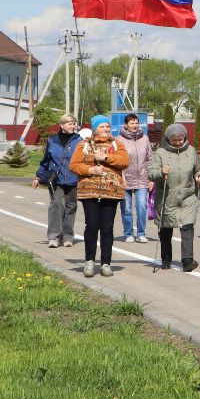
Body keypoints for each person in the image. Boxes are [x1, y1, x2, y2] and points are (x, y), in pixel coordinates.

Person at [70, 115, 130, 277]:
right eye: (102, 127)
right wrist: (90, 170)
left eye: (107, 127)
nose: (106, 130)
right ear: (95, 129)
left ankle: (105, 263)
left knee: (107, 228)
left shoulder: (117, 144)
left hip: (112, 192)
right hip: (89, 192)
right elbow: (73, 165)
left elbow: (125, 162)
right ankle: (89, 261)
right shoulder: (84, 145)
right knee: (92, 226)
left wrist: (106, 158)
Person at [149, 123, 200, 271]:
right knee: (166, 229)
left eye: (180, 139)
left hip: (188, 196)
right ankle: (166, 259)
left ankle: (187, 261)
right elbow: (151, 173)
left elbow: (199, 169)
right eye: (174, 140)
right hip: (167, 196)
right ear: (168, 139)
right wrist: (161, 172)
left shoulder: (192, 151)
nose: (178, 142)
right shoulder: (160, 153)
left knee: (187, 227)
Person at [33, 114, 80, 247]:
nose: (72, 126)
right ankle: (54, 236)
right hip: (56, 178)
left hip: (73, 177)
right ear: (62, 125)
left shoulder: (79, 140)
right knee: (57, 205)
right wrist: (38, 176)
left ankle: (67, 237)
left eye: (73, 123)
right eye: (69, 123)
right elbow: (46, 160)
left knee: (71, 207)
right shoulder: (52, 140)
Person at [117, 114, 152, 244]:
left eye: (136, 123)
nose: (135, 125)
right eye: (132, 123)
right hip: (125, 178)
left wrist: (151, 178)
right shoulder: (119, 139)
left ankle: (141, 233)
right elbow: (117, 161)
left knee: (142, 206)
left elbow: (150, 159)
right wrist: (121, 178)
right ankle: (128, 233)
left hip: (142, 178)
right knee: (126, 208)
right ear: (126, 125)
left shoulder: (145, 138)